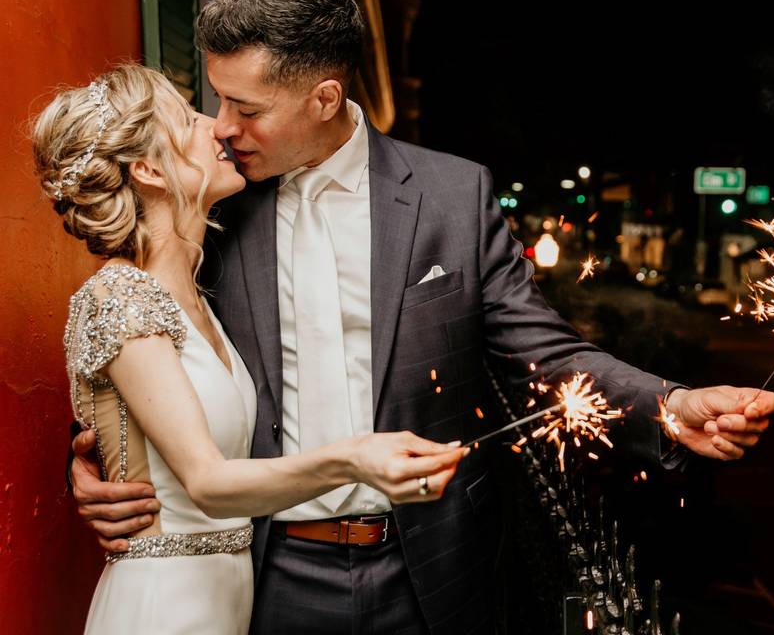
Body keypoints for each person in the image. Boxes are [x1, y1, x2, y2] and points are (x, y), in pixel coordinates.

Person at [71, 0, 774, 633]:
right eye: (217, 101)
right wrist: (94, 456)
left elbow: (546, 356)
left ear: (323, 98)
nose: (224, 128)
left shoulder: (453, 195)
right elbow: (145, 339)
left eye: (246, 108)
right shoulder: (212, 208)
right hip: (267, 574)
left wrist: (672, 403)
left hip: (432, 574)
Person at [35, 63, 466, 634]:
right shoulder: (118, 295)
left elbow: (148, 415)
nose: (216, 128)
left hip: (234, 603)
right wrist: (353, 458)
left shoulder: (199, 290)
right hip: (166, 608)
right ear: (145, 169)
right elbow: (205, 479)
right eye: (190, 118)